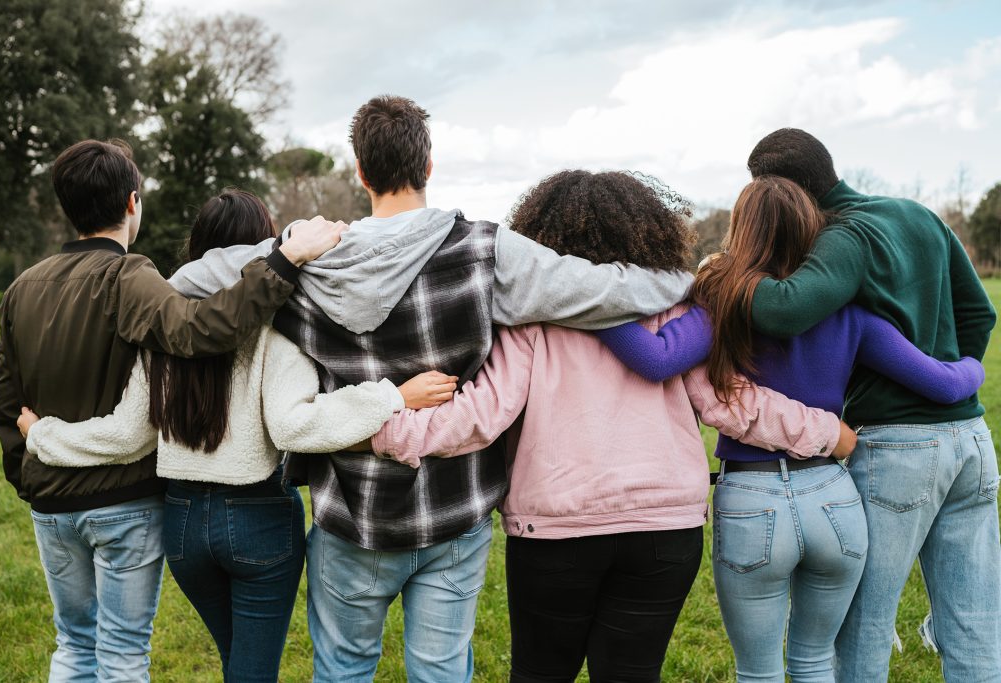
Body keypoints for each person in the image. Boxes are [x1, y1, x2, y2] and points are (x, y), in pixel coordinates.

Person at [165, 97, 700, 683]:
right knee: (440, 672)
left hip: (352, 512)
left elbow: (186, 281)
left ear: (361, 172)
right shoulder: (486, 252)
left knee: (342, 670)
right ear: (427, 165)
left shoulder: (308, 260)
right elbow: (609, 290)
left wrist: (287, 250)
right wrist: (695, 280)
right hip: (453, 510)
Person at [368, 170, 859, 682]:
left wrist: (377, 431)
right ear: (650, 230)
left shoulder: (532, 317)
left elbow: (480, 416)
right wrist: (829, 433)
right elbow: (733, 404)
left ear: (542, 236)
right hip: (665, 530)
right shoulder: (673, 310)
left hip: (556, 529)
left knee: (540, 674)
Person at [13, 189, 459, 682]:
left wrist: (42, 435)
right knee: (251, 672)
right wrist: (393, 395)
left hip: (183, 525)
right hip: (257, 519)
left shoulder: (163, 328)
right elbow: (295, 425)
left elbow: (126, 435)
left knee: (239, 665)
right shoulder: (276, 325)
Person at [595, 175, 985, 682]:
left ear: (740, 229)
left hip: (752, 501)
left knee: (758, 671)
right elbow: (943, 384)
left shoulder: (720, 303)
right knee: (815, 662)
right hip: (834, 501)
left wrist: (589, 304)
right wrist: (973, 365)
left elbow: (655, 358)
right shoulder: (851, 314)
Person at [0, 139, 342, 682]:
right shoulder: (129, 276)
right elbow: (200, 331)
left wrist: (32, 478)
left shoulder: (20, 289)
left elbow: (6, 402)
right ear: (132, 202)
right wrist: (283, 260)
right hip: (128, 503)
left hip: (60, 506)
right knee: (123, 653)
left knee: (73, 646)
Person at [739, 129, 999, 683]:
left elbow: (784, 310)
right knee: (975, 625)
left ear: (783, 190)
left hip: (898, 449)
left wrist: (721, 272)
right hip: (972, 441)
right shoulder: (919, 214)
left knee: (860, 629)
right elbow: (980, 314)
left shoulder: (846, 235)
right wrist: (955, 379)